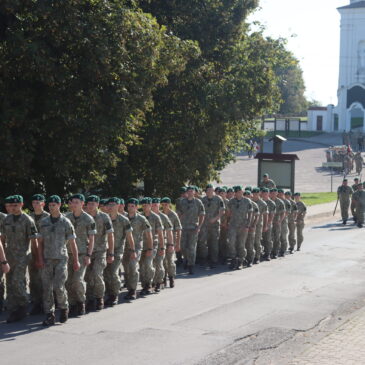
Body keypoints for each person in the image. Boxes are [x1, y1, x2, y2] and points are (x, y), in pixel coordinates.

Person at [37, 195, 80, 326]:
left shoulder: (66, 222)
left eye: (54, 205)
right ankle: (49, 314)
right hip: (47, 259)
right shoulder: (43, 222)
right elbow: (40, 243)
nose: (51, 207)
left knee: (59, 286)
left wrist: (76, 260)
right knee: (47, 288)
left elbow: (73, 243)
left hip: (61, 258)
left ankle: (63, 308)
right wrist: (40, 258)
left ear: (59, 205)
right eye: (50, 205)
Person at [1, 195, 38, 323]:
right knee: (10, 282)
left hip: (23, 255)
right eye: (11, 205)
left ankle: (23, 306)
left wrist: (37, 257)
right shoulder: (7, 219)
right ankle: (13, 308)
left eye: (15, 205)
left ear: (21, 205)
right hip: (9, 255)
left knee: (18, 281)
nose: (13, 208)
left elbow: (34, 241)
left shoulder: (28, 220)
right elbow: (3, 238)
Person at [65, 194, 96, 317]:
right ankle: (72, 304)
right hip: (68, 253)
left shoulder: (88, 219)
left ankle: (81, 302)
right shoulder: (66, 217)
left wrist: (89, 254)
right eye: (73, 202)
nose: (74, 204)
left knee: (77, 280)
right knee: (68, 281)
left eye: (77, 202)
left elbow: (92, 239)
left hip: (82, 254)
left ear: (82, 203)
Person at [85, 195, 114, 311]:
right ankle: (90, 298)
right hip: (87, 251)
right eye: (89, 203)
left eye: (93, 204)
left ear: (97, 205)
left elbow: (111, 235)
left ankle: (99, 297)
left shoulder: (104, 217)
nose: (90, 206)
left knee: (97, 274)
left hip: (100, 251)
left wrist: (111, 253)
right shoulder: (84, 217)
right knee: (87, 276)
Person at [104, 197, 135, 306]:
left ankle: (115, 294)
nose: (111, 206)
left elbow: (129, 236)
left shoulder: (124, 220)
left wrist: (132, 250)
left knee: (113, 272)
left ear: (118, 206)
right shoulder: (104, 218)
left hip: (118, 250)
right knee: (106, 273)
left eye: (113, 204)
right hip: (105, 249)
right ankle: (109, 293)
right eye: (109, 204)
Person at [123, 198, 152, 299]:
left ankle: (133, 290)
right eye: (129, 206)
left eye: (132, 206)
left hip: (136, 247)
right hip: (124, 248)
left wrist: (150, 248)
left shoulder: (141, 219)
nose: (130, 208)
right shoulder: (123, 218)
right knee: (126, 269)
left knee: (133, 267)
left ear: (136, 207)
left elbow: (149, 234)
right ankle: (129, 287)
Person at [29, 194, 50, 315]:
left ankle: (47, 301)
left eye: (38, 202)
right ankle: (36, 302)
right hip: (32, 251)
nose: (35, 204)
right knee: (33, 279)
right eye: (34, 202)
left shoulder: (48, 217)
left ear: (43, 204)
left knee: (45, 278)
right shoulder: (29, 217)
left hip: (45, 251)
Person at [177, 186, 205, 274]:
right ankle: (186, 259)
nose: (190, 192)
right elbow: (178, 214)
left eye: (191, 191)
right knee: (183, 247)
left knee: (192, 247)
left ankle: (191, 265)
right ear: (186, 192)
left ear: (194, 192)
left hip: (193, 228)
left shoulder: (198, 202)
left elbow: (202, 215)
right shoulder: (182, 202)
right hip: (183, 228)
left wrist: (199, 226)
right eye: (188, 191)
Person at [140, 197, 164, 294]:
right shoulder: (140, 216)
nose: (145, 207)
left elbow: (160, 233)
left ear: (150, 205)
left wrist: (162, 247)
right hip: (142, 245)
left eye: (147, 205)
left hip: (153, 244)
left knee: (149, 264)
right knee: (142, 266)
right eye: (143, 205)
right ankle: (145, 284)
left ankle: (153, 283)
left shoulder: (156, 217)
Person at [197, 184, 225, 268]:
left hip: (214, 225)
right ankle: (204, 258)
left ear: (213, 191)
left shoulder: (218, 199)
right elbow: (199, 212)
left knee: (214, 243)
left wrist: (215, 218)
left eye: (211, 190)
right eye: (208, 190)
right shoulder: (203, 200)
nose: (210, 192)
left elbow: (222, 211)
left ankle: (214, 260)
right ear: (206, 191)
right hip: (204, 225)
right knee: (202, 242)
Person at [226, 186, 253, 270]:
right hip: (233, 225)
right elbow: (228, 213)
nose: (239, 193)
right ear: (235, 193)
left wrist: (247, 225)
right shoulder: (231, 201)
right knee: (231, 243)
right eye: (238, 192)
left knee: (241, 244)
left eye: (241, 192)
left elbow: (250, 213)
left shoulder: (247, 201)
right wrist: (227, 222)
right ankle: (233, 260)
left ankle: (241, 261)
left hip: (243, 226)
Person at [151, 198, 174, 290]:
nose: (154, 206)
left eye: (156, 205)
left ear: (159, 205)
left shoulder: (164, 217)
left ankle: (171, 278)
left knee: (168, 262)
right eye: (153, 205)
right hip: (152, 243)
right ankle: (159, 281)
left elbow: (169, 232)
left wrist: (171, 244)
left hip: (163, 242)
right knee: (156, 263)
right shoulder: (149, 216)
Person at [161, 197, 181, 288]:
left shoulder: (173, 215)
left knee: (170, 261)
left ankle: (171, 278)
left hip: (170, 241)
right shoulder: (160, 214)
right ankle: (163, 279)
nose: (164, 206)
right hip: (162, 241)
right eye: (163, 204)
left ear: (169, 204)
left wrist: (177, 243)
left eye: (166, 204)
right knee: (163, 261)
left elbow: (178, 229)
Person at [251, 188, 268, 264]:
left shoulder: (263, 203)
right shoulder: (249, 202)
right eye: (254, 193)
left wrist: (265, 225)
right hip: (250, 225)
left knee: (257, 241)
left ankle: (257, 257)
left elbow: (265, 215)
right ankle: (251, 256)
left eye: (257, 194)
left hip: (258, 225)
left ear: (259, 194)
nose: (255, 195)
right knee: (250, 241)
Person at [270, 188, 286, 259]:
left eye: (274, 193)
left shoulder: (280, 202)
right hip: (269, 222)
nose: (273, 194)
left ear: (277, 193)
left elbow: (283, 213)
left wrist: (280, 221)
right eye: (272, 193)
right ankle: (269, 252)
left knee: (276, 238)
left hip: (276, 222)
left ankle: (275, 252)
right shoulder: (268, 201)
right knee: (269, 238)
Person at [261, 188, 275, 260]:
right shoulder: (260, 202)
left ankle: (268, 254)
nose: (265, 195)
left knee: (268, 239)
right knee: (260, 239)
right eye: (263, 193)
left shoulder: (271, 203)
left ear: (268, 194)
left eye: (266, 193)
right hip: (260, 224)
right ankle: (260, 253)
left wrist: (267, 224)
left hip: (268, 224)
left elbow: (272, 215)